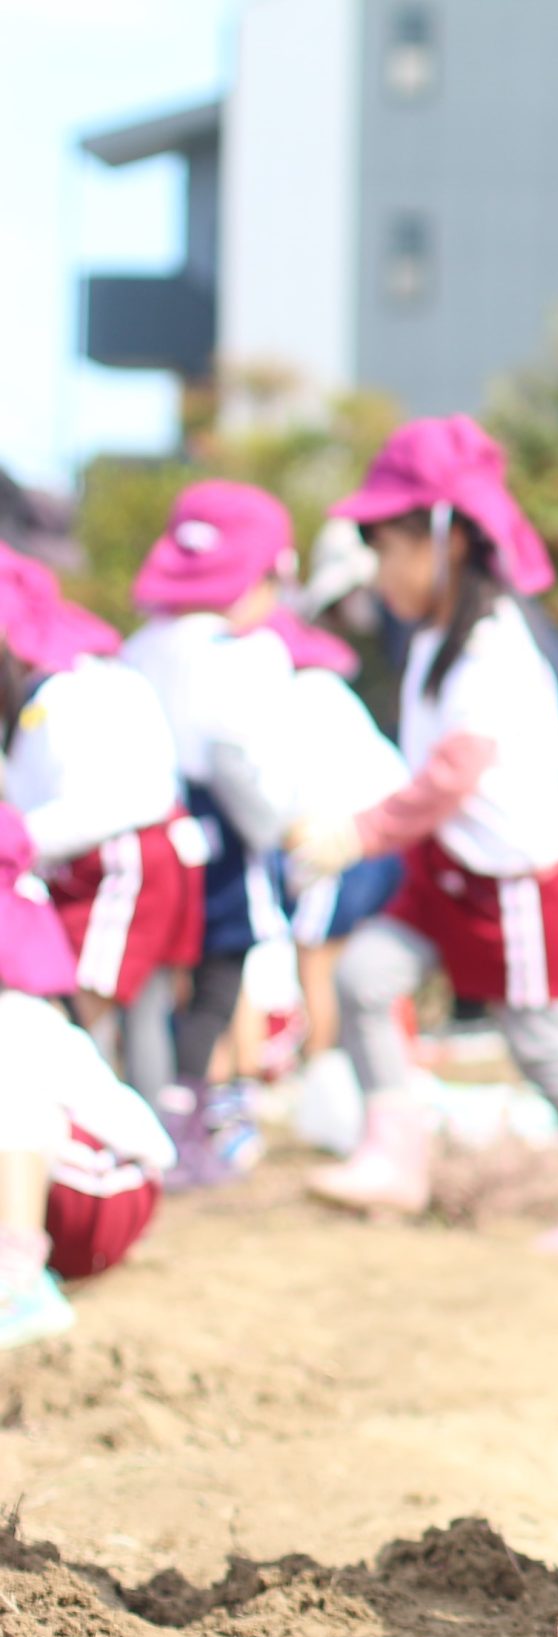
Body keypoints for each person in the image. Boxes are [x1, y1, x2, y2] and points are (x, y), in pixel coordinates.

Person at [286, 415, 558, 1254]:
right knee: (367, 978)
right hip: (449, 865)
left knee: (538, 1040)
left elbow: (452, 773)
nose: (378, 571)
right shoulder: (432, 638)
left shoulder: (489, 647)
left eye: (386, 548)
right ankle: (394, 1157)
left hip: (513, 881)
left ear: (444, 540)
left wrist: (359, 833)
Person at [120, 482, 307, 1187]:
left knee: (149, 986)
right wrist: (274, 833)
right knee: (218, 981)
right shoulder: (243, 650)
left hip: (147, 831)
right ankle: (191, 1127)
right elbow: (235, 757)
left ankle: (145, 1118)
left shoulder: (140, 644)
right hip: (222, 832)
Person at [0, 546, 199, 1105]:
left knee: (78, 1005)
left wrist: (24, 839)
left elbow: (117, 799)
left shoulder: (71, 691)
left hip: (127, 861)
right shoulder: (63, 684)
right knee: (129, 1010)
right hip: (107, 862)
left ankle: (99, 1129)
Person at [0, 804, 174, 1350]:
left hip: (107, 1187)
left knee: (12, 1079)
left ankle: (19, 1283)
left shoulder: (21, 1013)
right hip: (61, 1180)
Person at [263, 601, 407, 1064]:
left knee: (316, 960)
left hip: (344, 843)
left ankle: (321, 1067)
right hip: (387, 837)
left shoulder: (291, 697)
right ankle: (354, 1064)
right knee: (352, 963)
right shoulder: (327, 688)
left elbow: (300, 797)